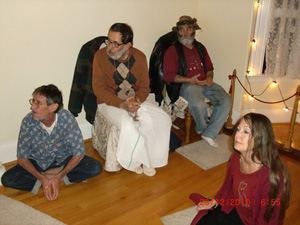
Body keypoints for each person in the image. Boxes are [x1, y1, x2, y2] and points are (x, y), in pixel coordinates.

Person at [92, 23, 171, 176]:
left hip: (134, 99)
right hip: (108, 102)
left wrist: (136, 101)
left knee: (164, 119)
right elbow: (98, 89)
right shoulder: (100, 56)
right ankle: (135, 160)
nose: (109, 47)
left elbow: (145, 86)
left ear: (127, 45)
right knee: (128, 124)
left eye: (115, 44)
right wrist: (121, 104)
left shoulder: (139, 57)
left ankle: (152, 159)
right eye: (109, 41)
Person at [1, 84, 102, 201]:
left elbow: (78, 153)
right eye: (33, 101)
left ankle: (56, 175)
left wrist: (58, 175)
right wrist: (43, 178)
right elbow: (22, 159)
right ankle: (54, 178)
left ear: (53, 107)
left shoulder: (67, 119)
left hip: (63, 160)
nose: (32, 107)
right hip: (38, 163)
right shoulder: (28, 122)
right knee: (7, 179)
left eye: (38, 103)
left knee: (95, 167)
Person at [190, 113, 291, 225]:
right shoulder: (235, 158)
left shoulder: (271, 176)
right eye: (238, 130)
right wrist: (215, 201)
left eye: (246, 132)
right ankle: (212, 206)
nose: (237, 135)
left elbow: (269, 219)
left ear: (260, 138)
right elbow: (228, 185)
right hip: (234, 208)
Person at [163, 15, 232, 148]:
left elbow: (209, 68)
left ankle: (209, 133)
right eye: (181, 30)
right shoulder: (172, 50)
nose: (185, 33)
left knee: (226, 100)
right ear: (177, 32)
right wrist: (190, 80)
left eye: (188, 29)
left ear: (193, 30)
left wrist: (210, 77)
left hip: (205, 83)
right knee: (199, 105)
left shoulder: (200, 47)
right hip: (186, 84)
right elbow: (169, 76)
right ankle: (202, 129)